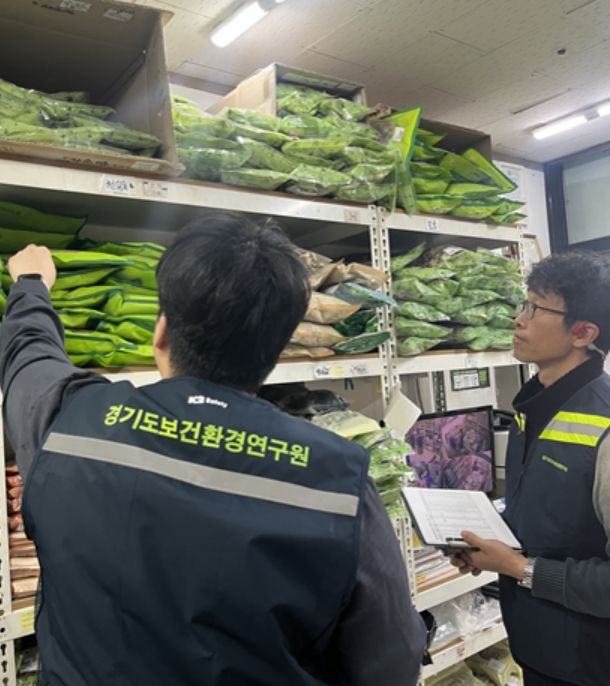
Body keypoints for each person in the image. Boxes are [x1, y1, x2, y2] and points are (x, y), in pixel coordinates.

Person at [0, 212, 426, 686]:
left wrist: (32, 285)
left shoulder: (72, 425)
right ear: (278, 348)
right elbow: (392, 662)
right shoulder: (338, 481)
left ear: (161, 333)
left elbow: (28, 361)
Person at [451, 251, 610, 686]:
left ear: (583, 333)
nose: (519, 320)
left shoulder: (604, 426)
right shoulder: (533, 408)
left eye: (537, 309)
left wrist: (519, 568)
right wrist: (488, 548)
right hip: (538, 646)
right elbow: (546, 517)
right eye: (525, 304)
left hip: (590, 663)